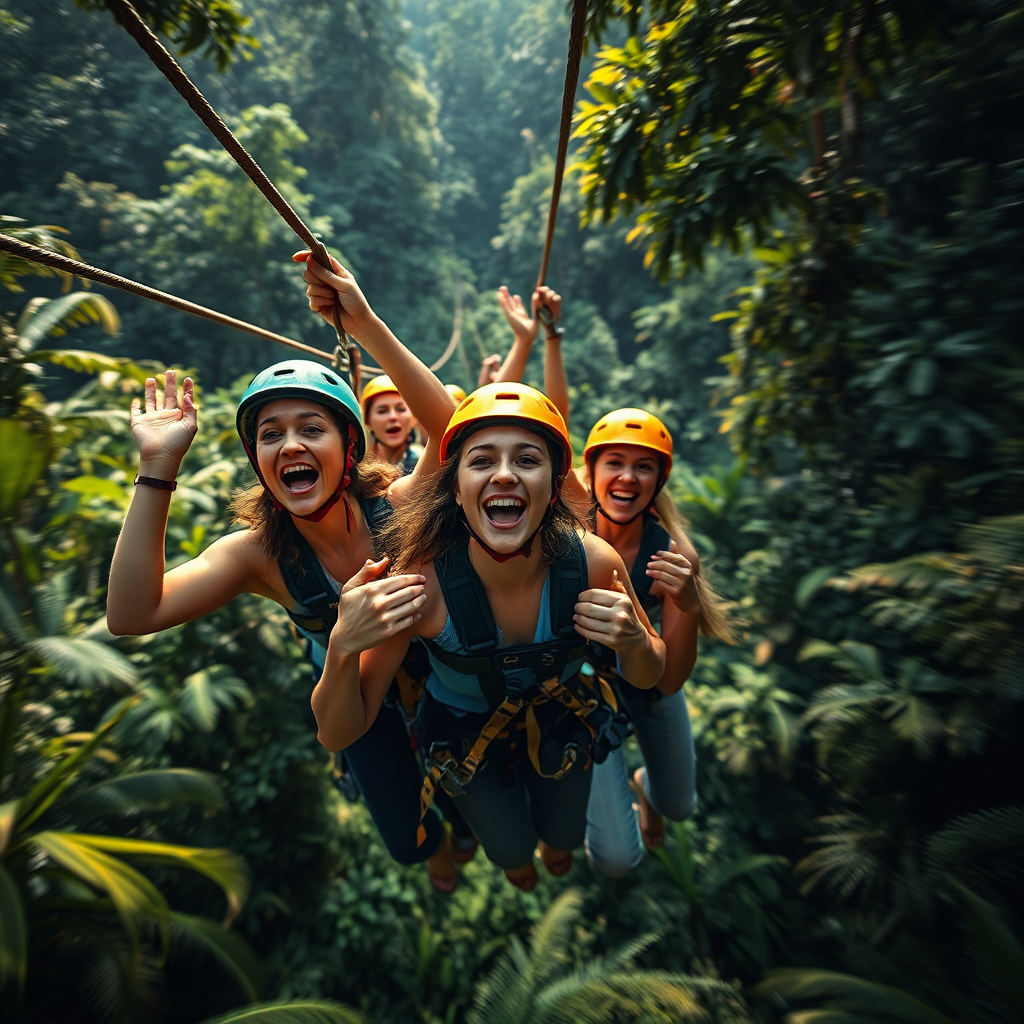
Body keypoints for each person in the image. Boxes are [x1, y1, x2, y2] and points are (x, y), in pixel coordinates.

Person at [106, 249, 467, 892]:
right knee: (406, 839)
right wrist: (158, 466)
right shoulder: (259, 556)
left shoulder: (399, 509)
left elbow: (452, 434)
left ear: (348, 448)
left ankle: (464, 830)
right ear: (258, 461)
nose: (291, 444)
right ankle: (436, 846)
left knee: (475, 776)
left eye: (311, 429)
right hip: (349, 679)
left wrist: (366, 325)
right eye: (270, 435)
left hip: (437, 660)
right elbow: (133, 613)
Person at [309, 382, 667, 890]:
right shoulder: (421, 582)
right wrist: (343, 647)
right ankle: (518, 858)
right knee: (511, 851)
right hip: (464, 733)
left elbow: (649, 671)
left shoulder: (591, 562)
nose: (504, 475)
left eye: (527, 460)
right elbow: (338, 733)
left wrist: (635, 642)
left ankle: (547, 850)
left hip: (563, 717)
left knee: (562, 838)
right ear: (455, 487)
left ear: (555, 481)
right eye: (481, 462)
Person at [575, 409, 732, 875]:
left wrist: (687, 603)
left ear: (659, 480)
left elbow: (671, 680)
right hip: (584, 687)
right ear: (593, 471)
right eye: (615, 463)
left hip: (647, 676)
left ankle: (647, 788)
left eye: (643, 466)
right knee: (617, 860)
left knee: (679, 805)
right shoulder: (569, 523)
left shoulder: (674, 555)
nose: (627, 477)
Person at [361, 374, 424, 474]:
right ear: (367, 421)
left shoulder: (426, 465)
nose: (393, 417)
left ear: (413, 419)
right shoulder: (358, 470)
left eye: (401, 409)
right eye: (382, 411)